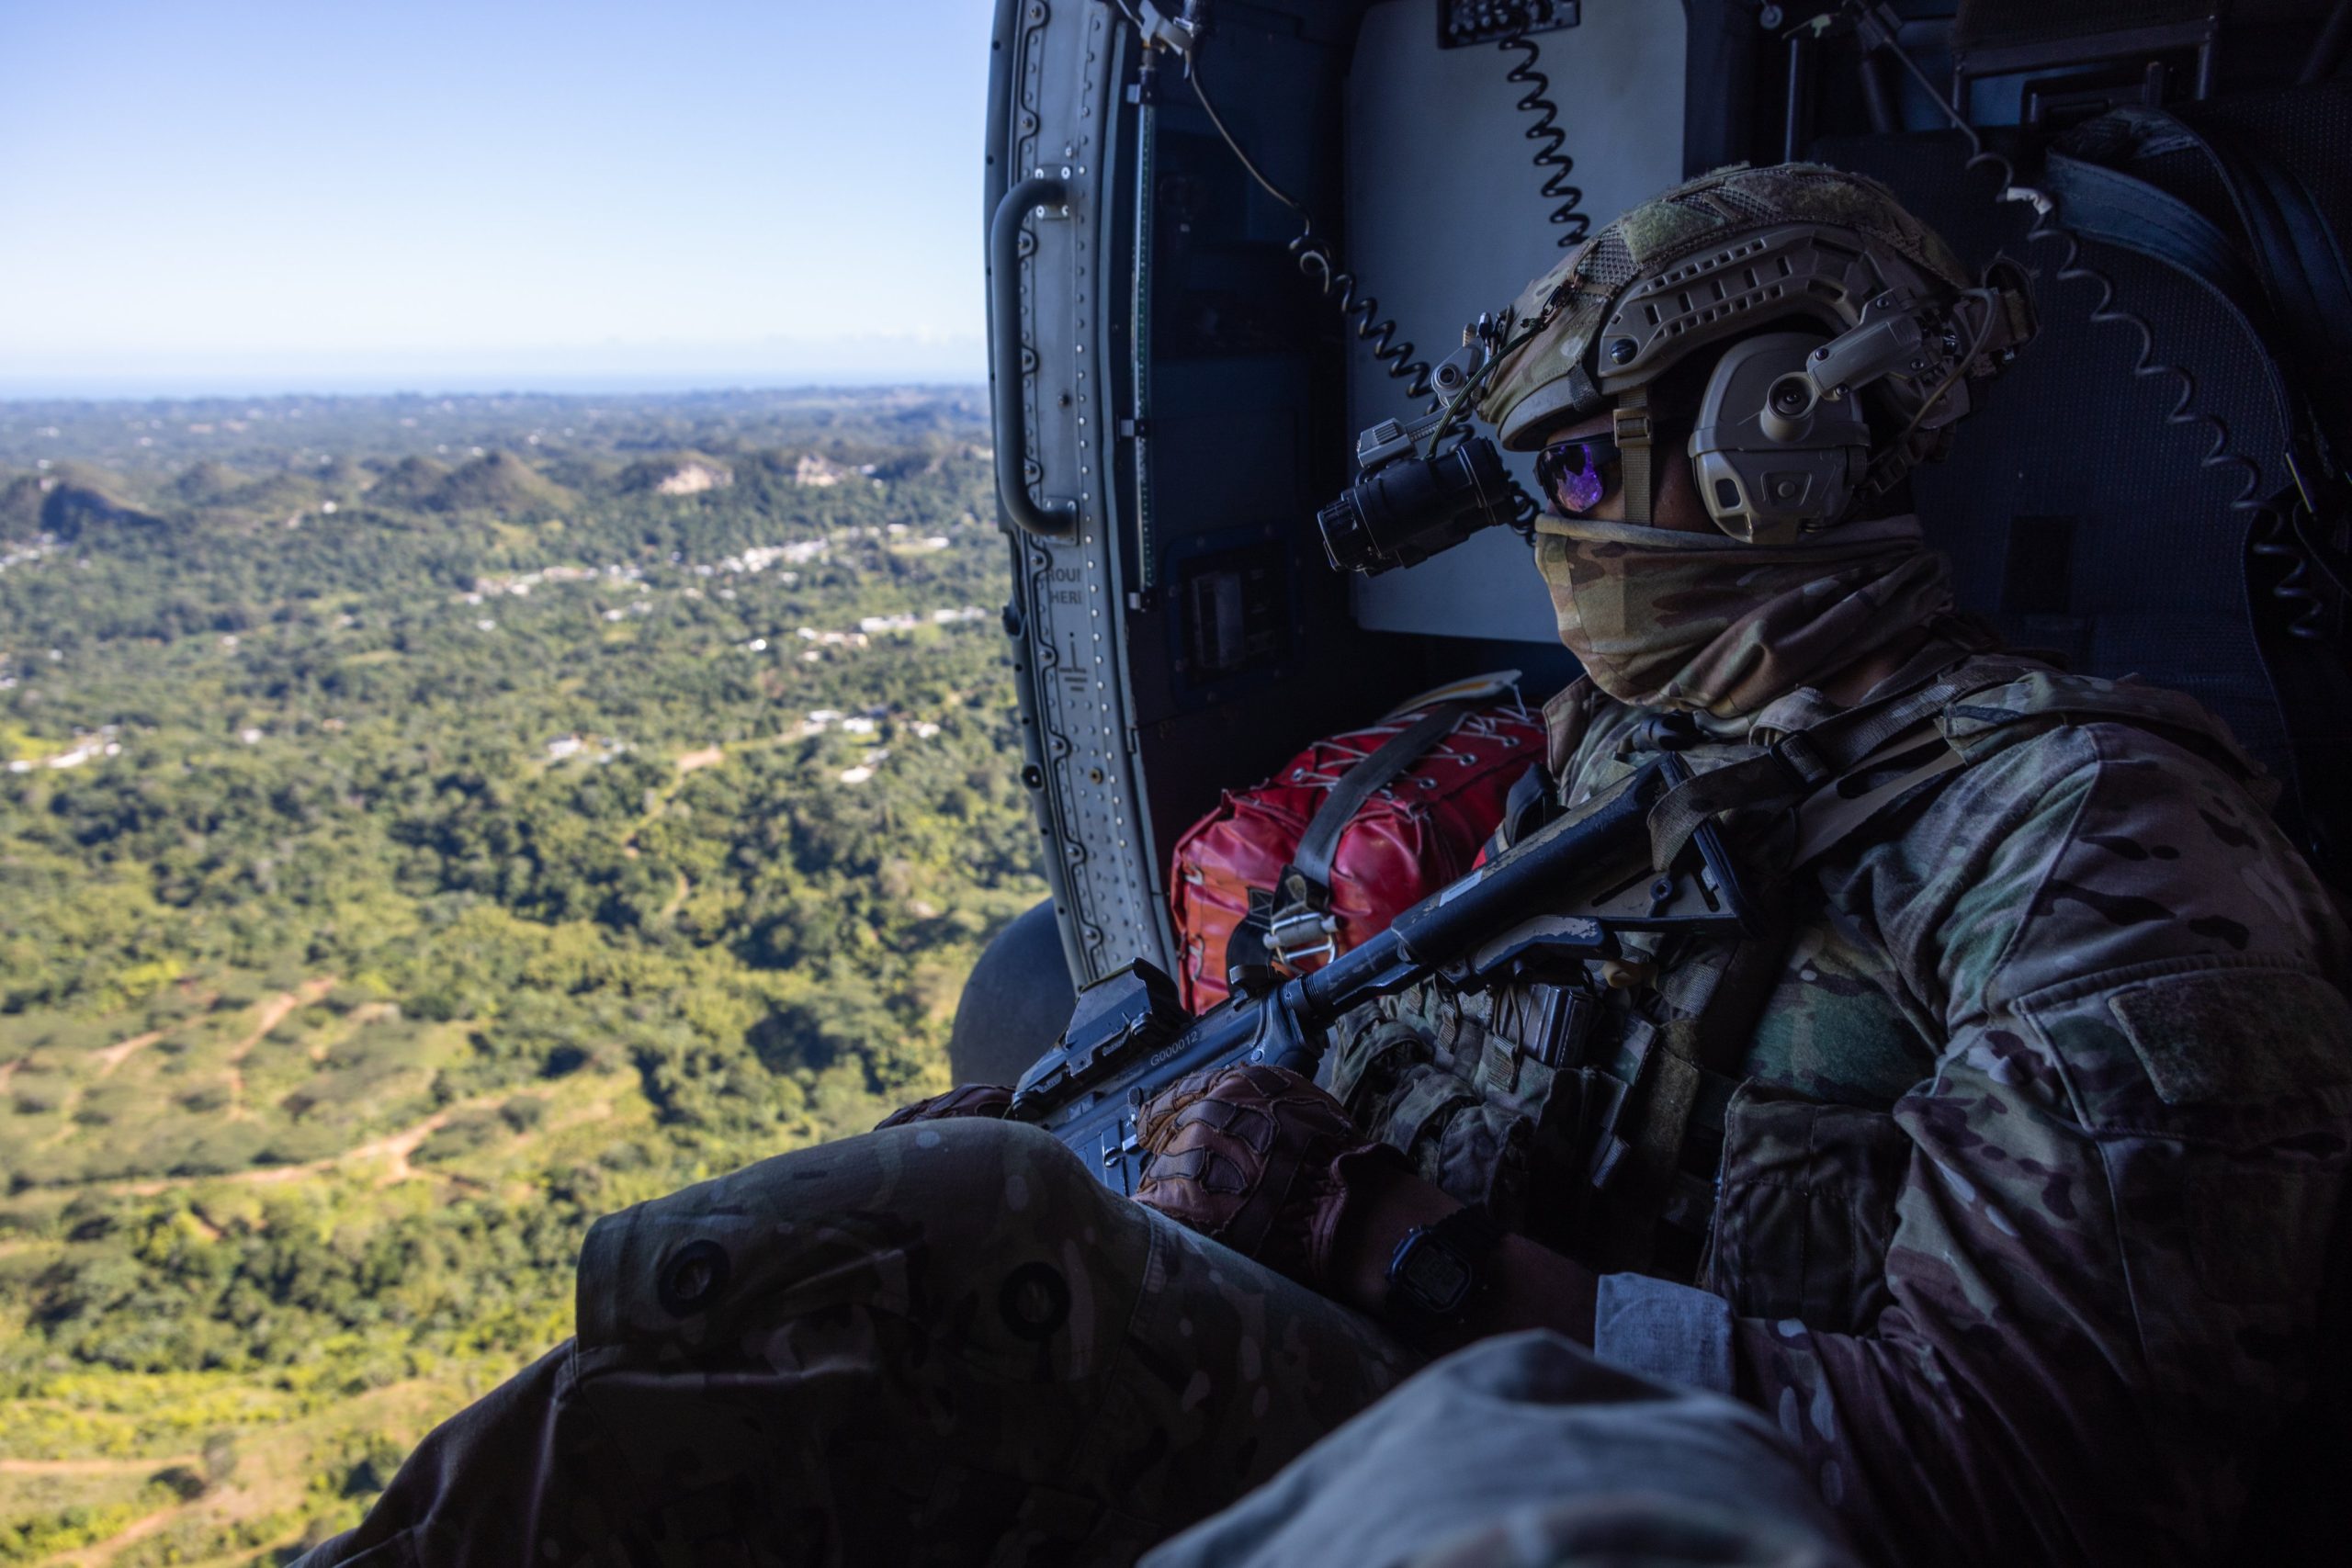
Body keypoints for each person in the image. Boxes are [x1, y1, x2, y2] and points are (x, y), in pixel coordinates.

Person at [300, 166, 2352, 1568]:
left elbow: (2035, 1482)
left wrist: (1388, 1238)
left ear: (1774, 444)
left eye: (1568, 474)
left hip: (1621, 1481)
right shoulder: (1580, 756)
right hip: (1401, 1375)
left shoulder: (2090, 836)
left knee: (926, 1256)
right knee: (789, 1270)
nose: (1549, 552)